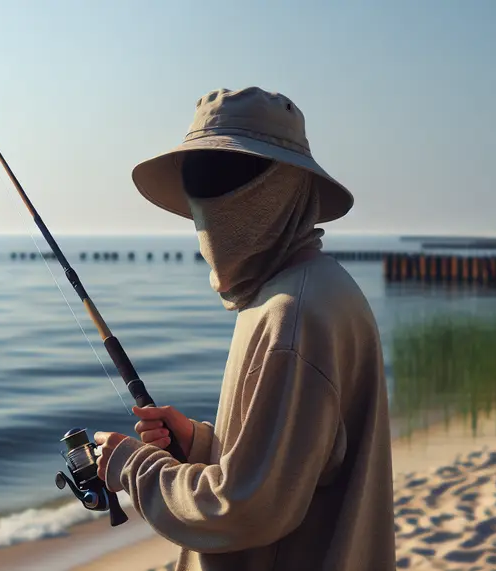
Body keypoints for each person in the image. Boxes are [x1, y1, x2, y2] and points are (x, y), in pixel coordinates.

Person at [94, 87, 396, 571]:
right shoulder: (313, 290)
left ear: (284, 189)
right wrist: (197, 444)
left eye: (227, 179)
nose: (209, 204)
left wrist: (133, 466)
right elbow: (295, 464)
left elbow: (243, 510)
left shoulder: (291, 315)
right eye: (200, 181)